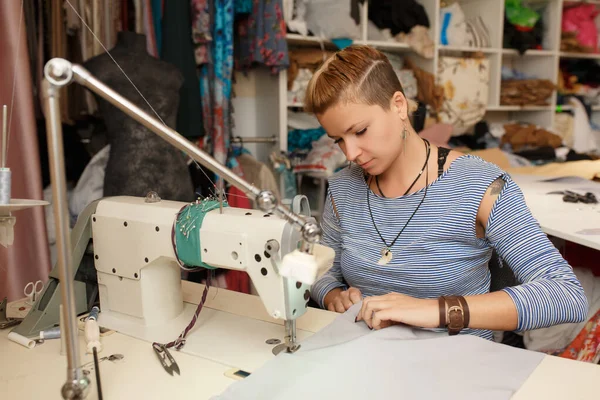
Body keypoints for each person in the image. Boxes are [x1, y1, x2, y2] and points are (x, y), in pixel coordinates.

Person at [305, 45, 588, 340]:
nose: (350, 153)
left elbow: (565, 293)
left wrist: (437, 310)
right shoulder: (342, 189)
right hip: (366, 358)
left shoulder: (483, 187)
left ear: (398, 105)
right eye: (338, 140)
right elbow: (324, 271)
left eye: (360, 131)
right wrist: (332, 295)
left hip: (454, 368)